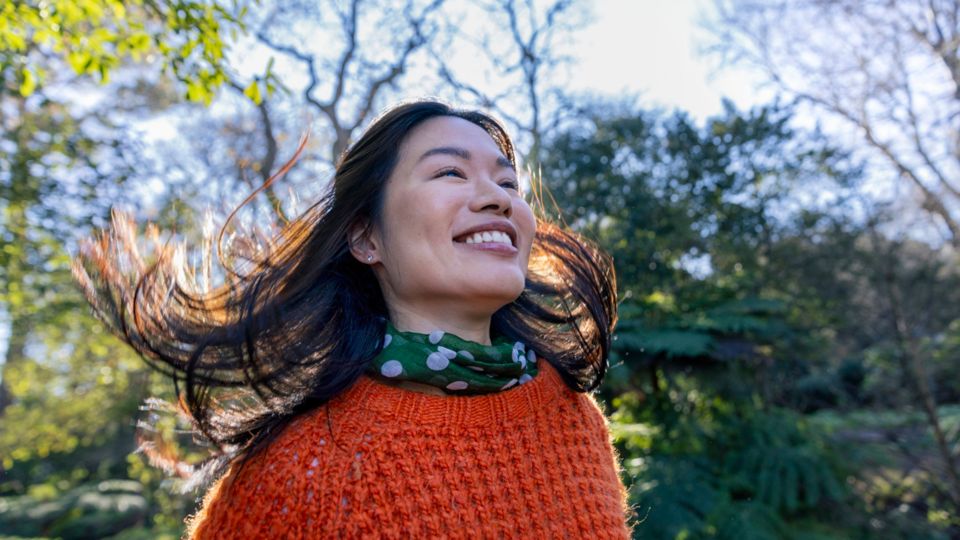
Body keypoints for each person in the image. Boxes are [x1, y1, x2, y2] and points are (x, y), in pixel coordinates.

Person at [72, 99, 635, 538]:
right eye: (450, 174)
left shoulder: (575, 417)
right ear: (366, 237)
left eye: (508, 183)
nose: (497, 197)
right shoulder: (301, 468)